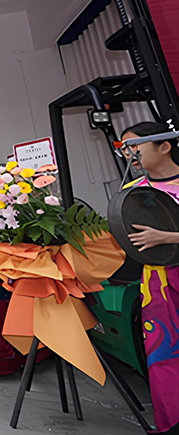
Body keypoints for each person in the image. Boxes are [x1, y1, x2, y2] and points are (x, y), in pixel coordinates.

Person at [119, 122, 179, 434]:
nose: (129, 154)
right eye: (123, 149)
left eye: (134, 146)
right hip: (157, 282)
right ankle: (171, 424)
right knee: (163, 352)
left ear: (164, 145)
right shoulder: (133, 192)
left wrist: (167, 237)